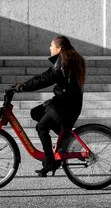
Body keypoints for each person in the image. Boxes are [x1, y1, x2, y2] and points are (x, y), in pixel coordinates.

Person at [13, 36, 85, 177]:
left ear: (59, 48)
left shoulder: (65, 62)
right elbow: (46, 75)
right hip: (66, 103)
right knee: (36, 113)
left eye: (51, 45)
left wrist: (24, 87)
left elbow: (46, 79)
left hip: (66, 106)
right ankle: (66, 141)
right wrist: (24, 85)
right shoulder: (66, 60)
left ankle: (51, 161)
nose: (49, 48)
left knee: (41, 127)